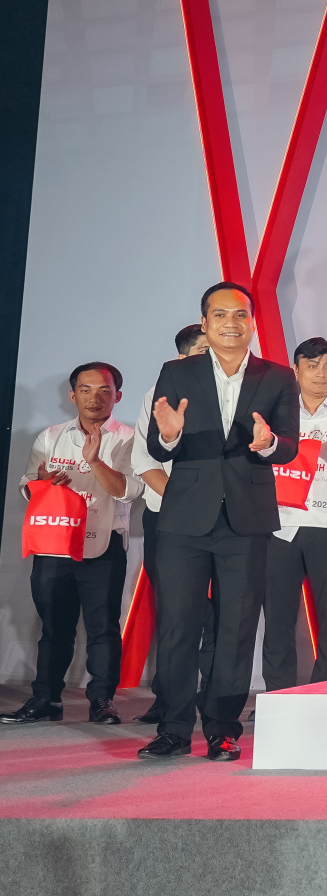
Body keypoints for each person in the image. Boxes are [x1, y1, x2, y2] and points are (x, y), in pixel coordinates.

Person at [137, 282, 298, 762]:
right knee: (179, 625)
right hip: (184, 518)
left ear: (252, 322)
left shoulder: (277, 376)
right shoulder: (176, 372)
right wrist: (169, 437)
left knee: (236, 627)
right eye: (221, 314)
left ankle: (223, 729)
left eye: (241, 314)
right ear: (205, 323)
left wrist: (269, 444)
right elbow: (157, 444)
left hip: (246, 520)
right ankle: (173, 728)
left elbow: (289, 446)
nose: (232, 323)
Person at [3, 364, 139, 727]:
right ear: (72, 395)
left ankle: (102, 701)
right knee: (53, 627)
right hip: (55, 542)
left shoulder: (129, 438)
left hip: (104, 544)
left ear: (117, 396)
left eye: (104, 390)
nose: (95, 398)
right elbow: (27, 484)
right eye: (85, 389)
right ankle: (45, 699)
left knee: (102, 628)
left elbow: (129, 490)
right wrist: (43, 483)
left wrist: (95, 462)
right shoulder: (50, 436)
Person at [262, 337, 327, 692]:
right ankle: (278, 694)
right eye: (312, 366)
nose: (321, 374)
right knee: (277, 617)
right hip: (280, 527)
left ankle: (325, 693)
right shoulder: (276, 413)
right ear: (296, 370)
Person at [125, 323, 210, 726]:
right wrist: (184, 504)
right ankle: (169, 700)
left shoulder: (239, 394)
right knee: (175, 614)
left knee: (221, 615)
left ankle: (213, 698)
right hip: (169, 518)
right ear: (182, 359)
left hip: (224, 520)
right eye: (205, 350)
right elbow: (144, 460)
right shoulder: (157, 396)